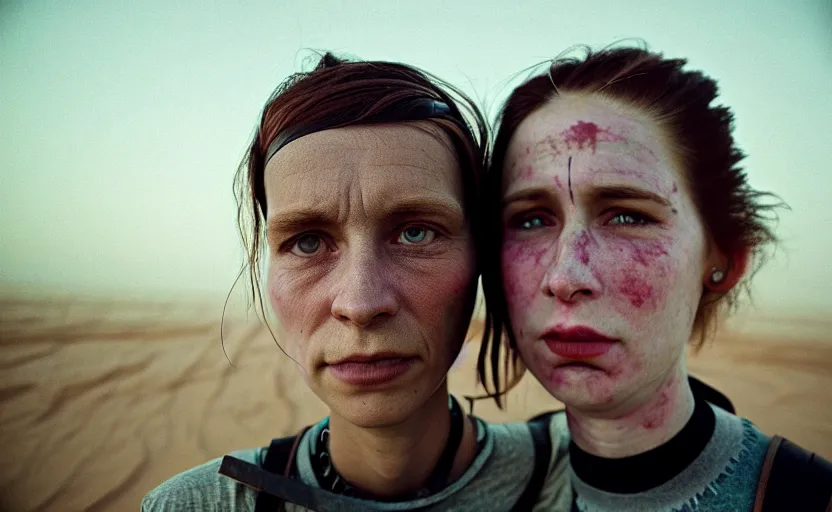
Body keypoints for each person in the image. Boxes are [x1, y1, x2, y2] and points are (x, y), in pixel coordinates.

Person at [141, 52, 570, 511]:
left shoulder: (574, 480)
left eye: (416, 232)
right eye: (307, 243)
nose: (361, 304)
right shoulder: (197, 506)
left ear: (480, 256)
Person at [478, 45, 832, 511]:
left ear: (723, 259)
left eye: (626, 217)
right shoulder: (480, 483)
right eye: (531, 220)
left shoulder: (806, 497)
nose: (565, 276)